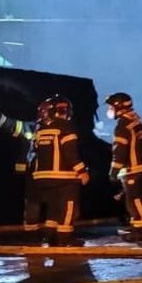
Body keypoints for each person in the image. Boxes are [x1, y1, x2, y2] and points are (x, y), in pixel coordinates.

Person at [23, 95, 90, 246]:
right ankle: (65, 238)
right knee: (68, 208)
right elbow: (70, 153)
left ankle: (51, 236)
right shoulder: (66, 127)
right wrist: (82, 171)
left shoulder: (41, 130)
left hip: (42, 178)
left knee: (53, 209)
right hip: (64, 176)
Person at [105, 92, 142, 241]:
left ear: (119, 107)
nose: (109, 110)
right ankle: (137, 227)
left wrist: (113, 171)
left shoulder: (123, 125)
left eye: (111, 107)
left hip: (132, 170)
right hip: (140, 168)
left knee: (134, 200)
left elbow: (120, 151)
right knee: (134, 200)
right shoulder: (135, 121)